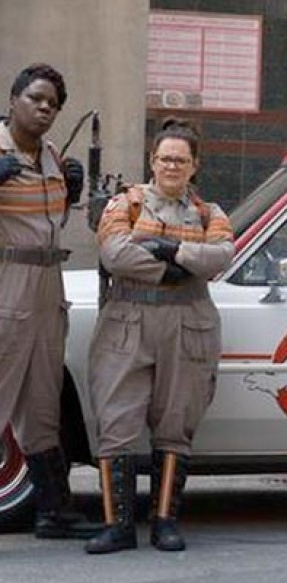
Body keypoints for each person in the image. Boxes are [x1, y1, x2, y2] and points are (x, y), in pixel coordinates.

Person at [84, 119, 234, 555]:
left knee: (176, 422)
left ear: (194, 166)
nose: (172, 166)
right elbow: (115, 253)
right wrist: (174, 270)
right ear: (152, 161)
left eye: (180, 160)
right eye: (165, 158)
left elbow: (221, 256)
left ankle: (165, 521)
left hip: (187, 323)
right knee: (116, 419)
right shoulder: (125, 204)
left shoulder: (210, 213)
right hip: (128, 321)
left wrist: (171, 250)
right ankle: (117, 526)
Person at [0, 63, 101, 539]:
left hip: (47, 283)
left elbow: (51, 220)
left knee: (42, 400)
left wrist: (70, 189)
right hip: (6, 280)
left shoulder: (51, 155)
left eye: (53, 104)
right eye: (35, 98)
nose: (44, 108)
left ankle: (53, 509)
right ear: (13, 99)